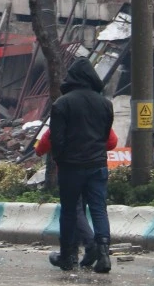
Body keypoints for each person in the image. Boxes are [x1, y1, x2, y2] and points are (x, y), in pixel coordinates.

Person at [47, 57, 114, 273]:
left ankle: (68, 257)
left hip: (71, 167)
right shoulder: (105, 104)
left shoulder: (62, 104)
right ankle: (104, 255)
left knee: (68, 212)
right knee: (98, 209)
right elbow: (105, 136)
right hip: (97, 164)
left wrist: (61, 160)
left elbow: (57, 140)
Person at [36, 125, 118, 268]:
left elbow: (46, 141)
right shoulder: (97, 112)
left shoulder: (66, 109)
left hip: (71, 168)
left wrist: (40, 149)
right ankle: (98, 253)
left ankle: (84, 248)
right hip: (96, 167)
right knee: (97, 209)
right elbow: (112, 142)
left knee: (73, 210)